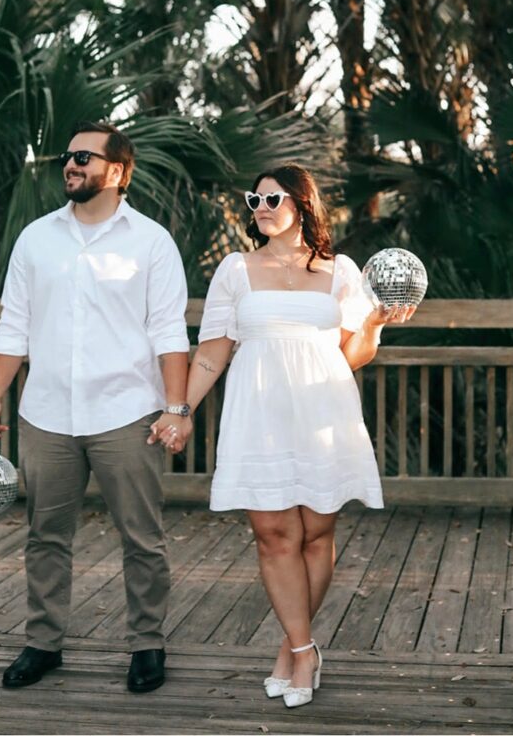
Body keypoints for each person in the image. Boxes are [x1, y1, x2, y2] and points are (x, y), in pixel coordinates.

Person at [150, 164, 415, 708]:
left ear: (302, 203)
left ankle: (292, 649)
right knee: (274, 535)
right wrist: (179, 409)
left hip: (324, 408)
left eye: (272, 198)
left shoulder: (341, 270)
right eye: (255, 199)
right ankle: (305, 647)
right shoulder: (234, 269)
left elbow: (351, 355)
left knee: (317, 535)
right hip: (259, 411)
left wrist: (375, 324)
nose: (261, 207)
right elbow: (211, 351)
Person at [0, 121, 190, 693]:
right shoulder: (35, 239)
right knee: (44, 537)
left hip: (128, 413)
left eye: (83, 157)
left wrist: (178, 408)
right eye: (68, 157)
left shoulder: (151, 243)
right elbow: (13, 324)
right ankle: (43, 643)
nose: (70, 165)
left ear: (117, 172)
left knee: (141, 537)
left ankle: (147, 645)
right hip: (45, 413)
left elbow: (169, 332)